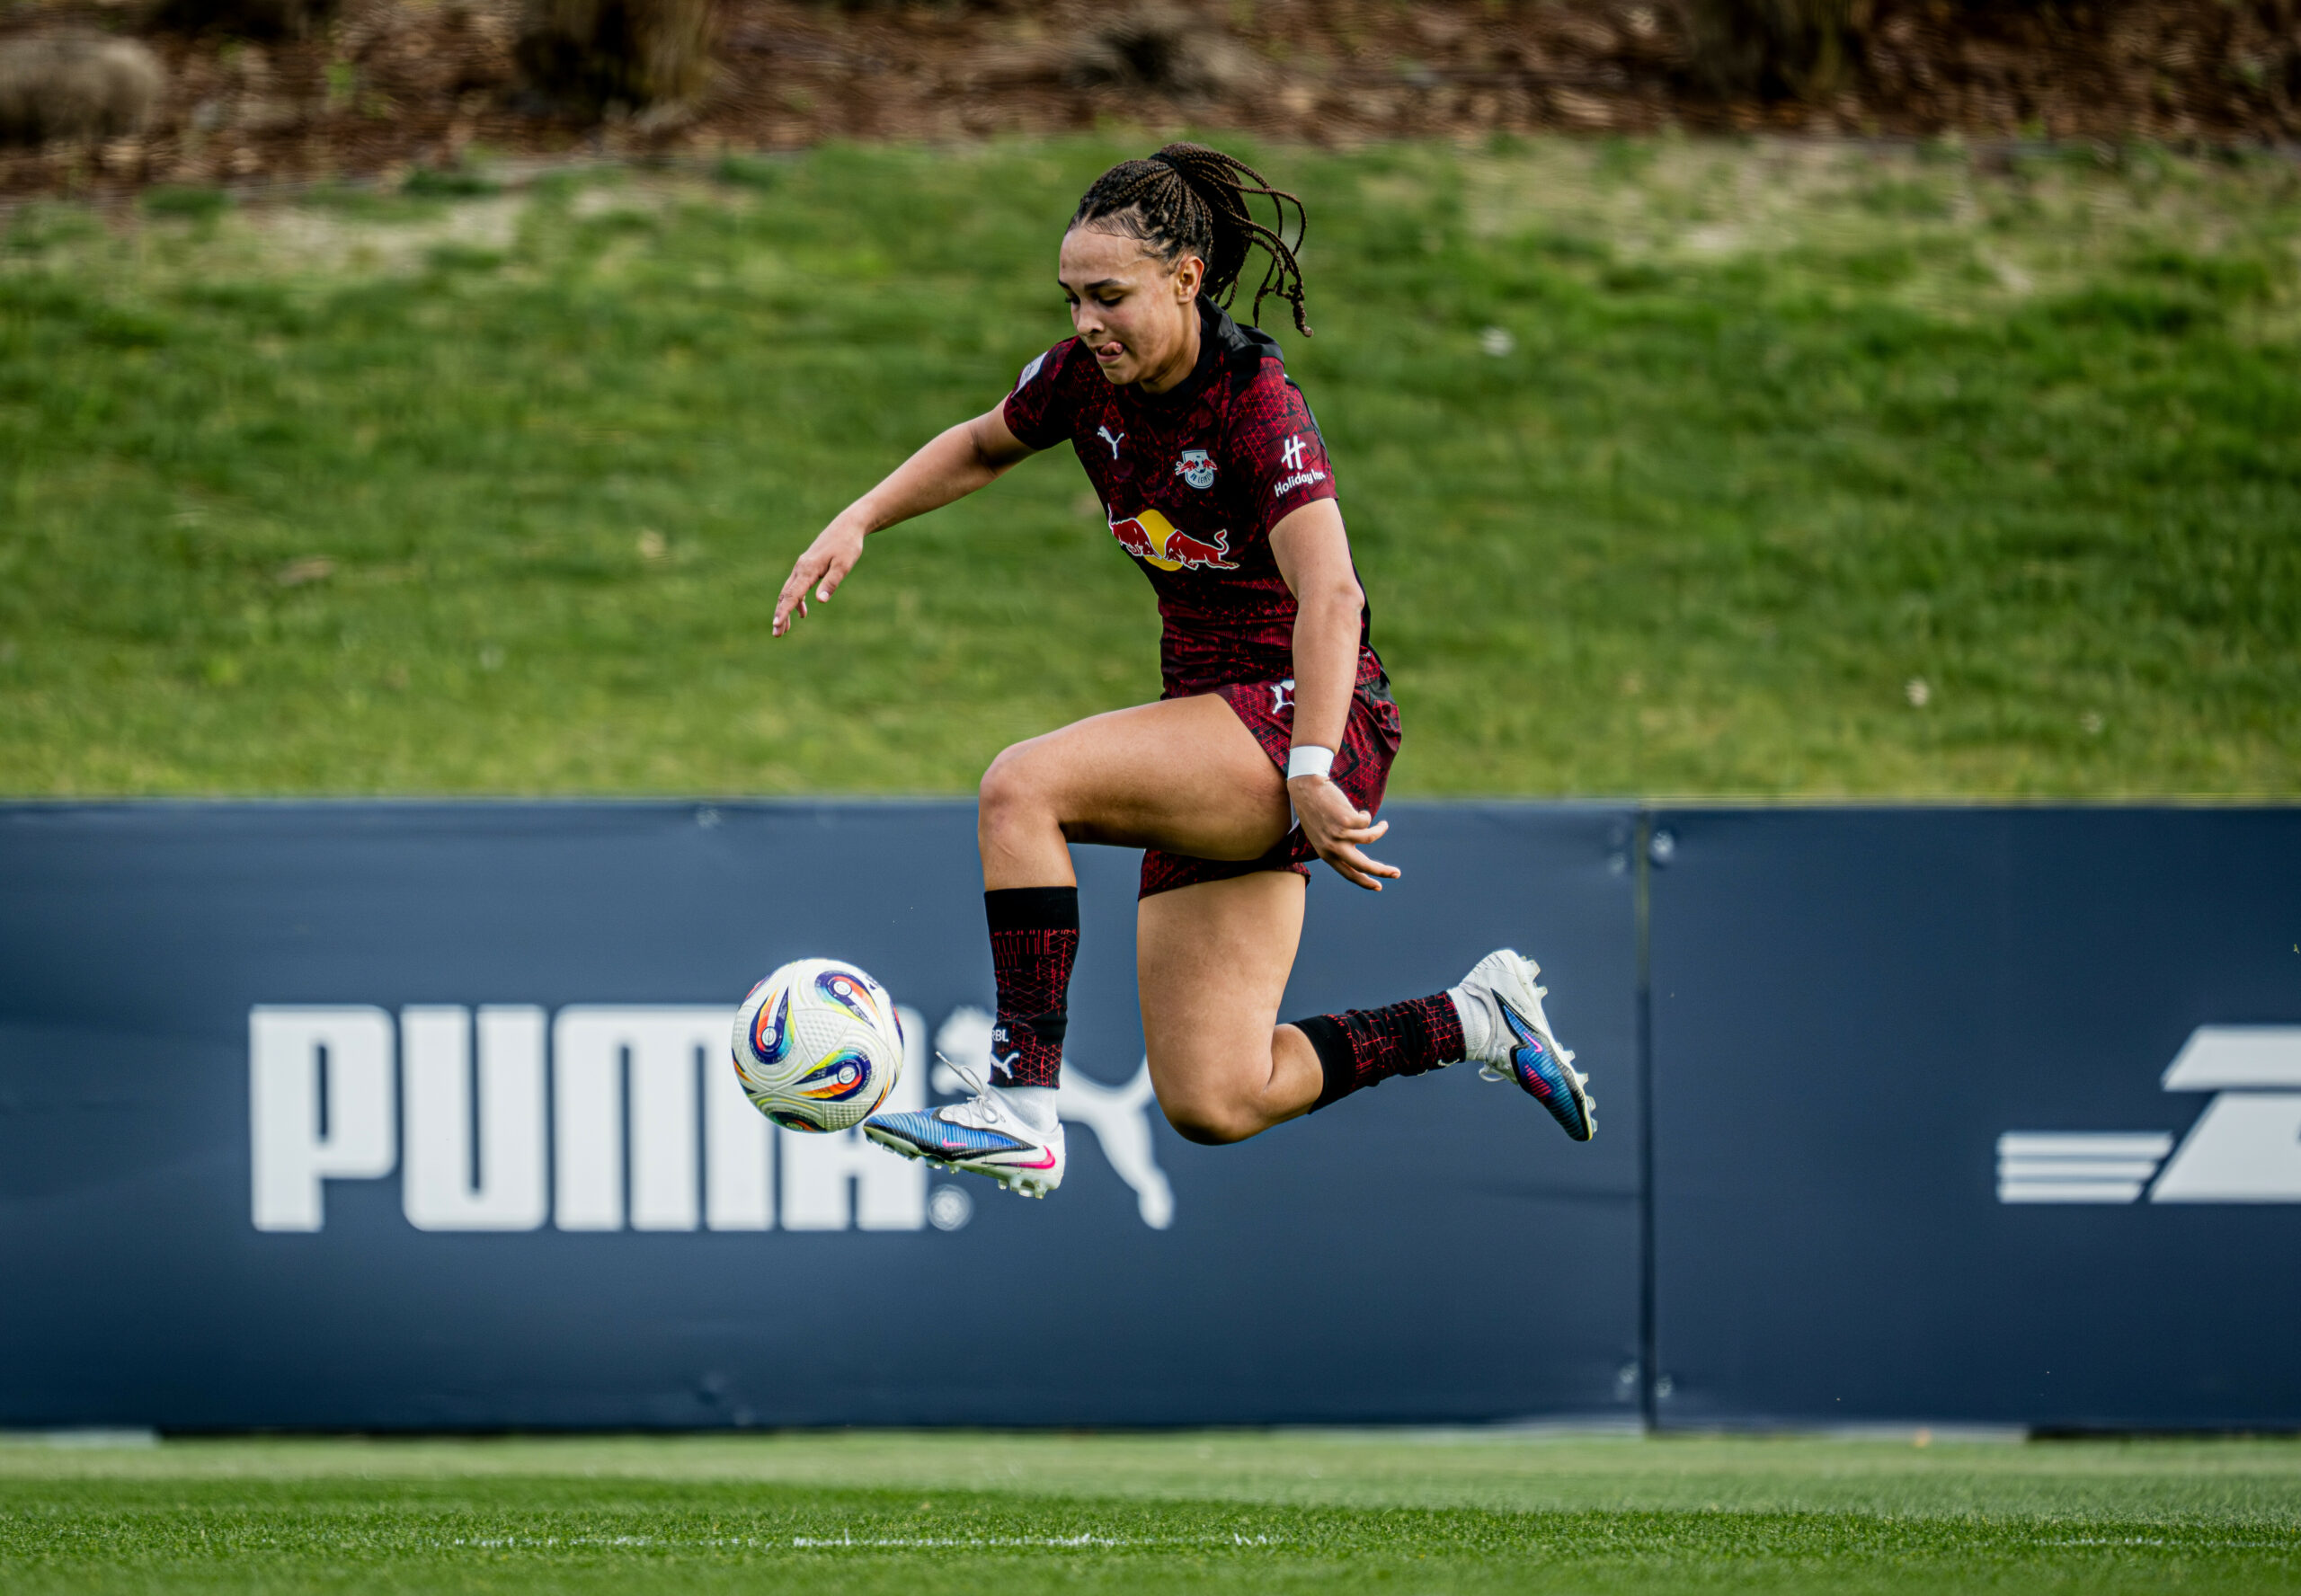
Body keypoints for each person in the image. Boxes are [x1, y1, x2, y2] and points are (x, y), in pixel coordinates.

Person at [771, 144, 1593, 1198]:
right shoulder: (1080, 381)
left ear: (1186, 279)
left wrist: (1306, 767)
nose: (1084, 323)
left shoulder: (1254, 405)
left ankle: (1018, 1103)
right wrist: (860, 518)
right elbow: (982, 445)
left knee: (1022, 785)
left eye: (1107, 296)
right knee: (1215, 1097)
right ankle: (1472, 1018)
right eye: (1070, 297)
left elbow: (1333, 599)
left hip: (1309, 723)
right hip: (1218, 735)